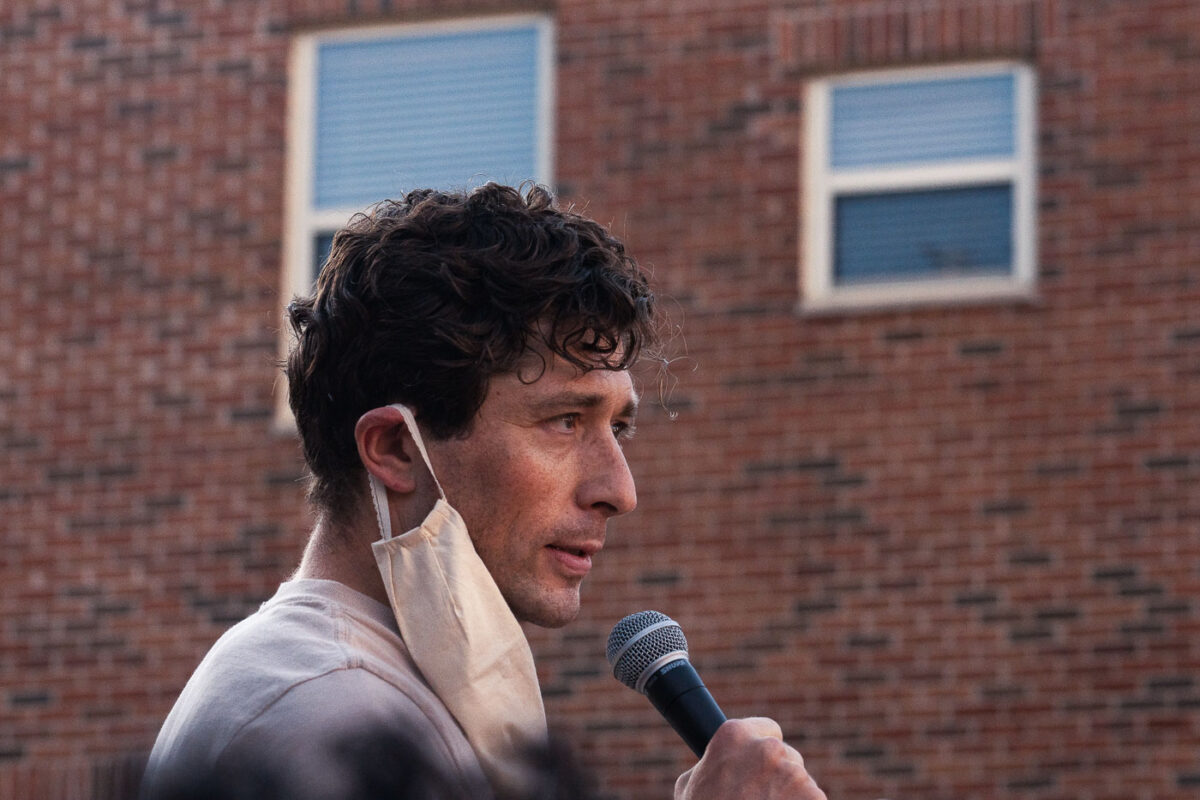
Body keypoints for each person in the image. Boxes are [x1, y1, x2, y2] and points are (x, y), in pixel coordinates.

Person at [141, 183, 824, 800]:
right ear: (396, 449)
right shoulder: (330, 715)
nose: (619, 489)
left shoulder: (378, 687)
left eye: (619, 427)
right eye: (564, 422)